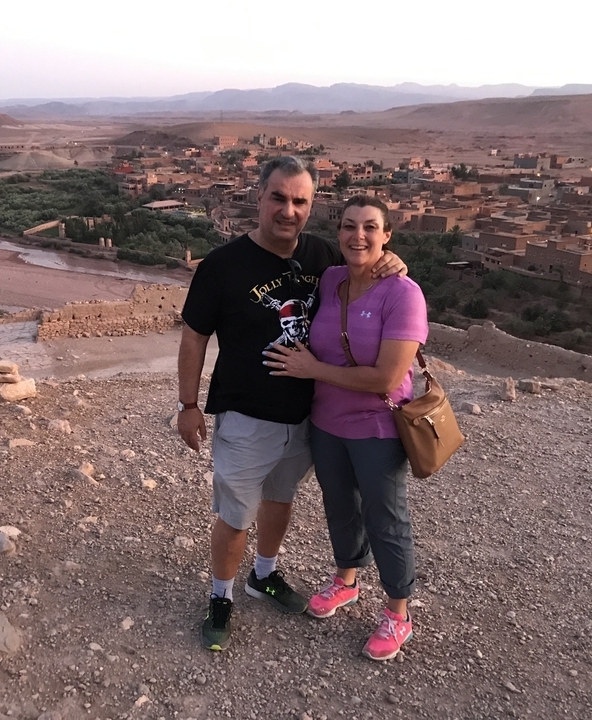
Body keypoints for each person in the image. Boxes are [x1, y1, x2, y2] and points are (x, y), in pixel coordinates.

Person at [178, 157, 407, 651]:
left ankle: (265, 574)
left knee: (280, 501)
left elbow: (366, 266)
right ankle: (221, 596)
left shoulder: (323, 256)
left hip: (306, 416)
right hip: (245, 415)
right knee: (237, 512)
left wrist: (394, 262)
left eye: (299, 201)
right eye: (278, 198)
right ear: (258, 197)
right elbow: (195, 336)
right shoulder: (222, 265)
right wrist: (188, 403)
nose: (288, 210)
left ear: (310, 206)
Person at [263, 195, 428, 661]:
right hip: (327, 423)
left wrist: (310, 368)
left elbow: (385, 378)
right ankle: (347, 581)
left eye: (371, 228)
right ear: (339, 234)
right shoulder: (332, 278)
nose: (359, 236)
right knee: (340, 508)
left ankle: (398, 613)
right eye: (350, 227)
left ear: (387, 234)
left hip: (378, 426)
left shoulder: (403, 293)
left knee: (385, 517)